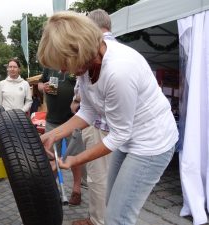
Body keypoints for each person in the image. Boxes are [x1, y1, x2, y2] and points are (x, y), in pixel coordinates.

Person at [37, 11, 178, 225]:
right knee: (111, 203)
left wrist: (74, 159)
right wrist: (53, 135)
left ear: (78, 49)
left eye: (64, 63)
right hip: (129, 138)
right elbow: (88, 111)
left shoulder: (119, 70)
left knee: (117, 217)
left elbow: (119, 134)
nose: (63, 70)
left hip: (152, 143)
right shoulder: (88, 64)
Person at [69, 9, 117, 225]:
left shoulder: (100, 53)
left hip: (100, 125)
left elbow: (92, 96)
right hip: (103, 124)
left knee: (98, 178)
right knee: (104, 176)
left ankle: (98, 221)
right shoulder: (117, 49)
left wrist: (78, 99)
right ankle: (98, 217)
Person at [38, 68, 82, 205]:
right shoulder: (49, 67)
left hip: (73, 120)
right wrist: (43, 87)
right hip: (52, 120)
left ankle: (77, 190)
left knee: (75, 157)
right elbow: (40, 83)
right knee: (51, 158)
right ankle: (52, 190)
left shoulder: (76, 64)